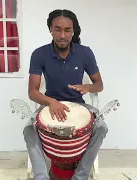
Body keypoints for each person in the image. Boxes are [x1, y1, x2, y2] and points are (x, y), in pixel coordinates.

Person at [23, 9, 108, 180]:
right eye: (57, 29)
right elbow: (32, 91)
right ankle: (41, 176)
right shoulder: (39, 54)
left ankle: (81, 175)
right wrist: (51, 101)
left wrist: (88, 87)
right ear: (50, 30)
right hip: (49, 104)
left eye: (67, 30)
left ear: (73, 31)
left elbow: (99, 84)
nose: (62, 35)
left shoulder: (85, 53)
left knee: (101, 127)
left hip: (79, 104)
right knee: (28, 129)